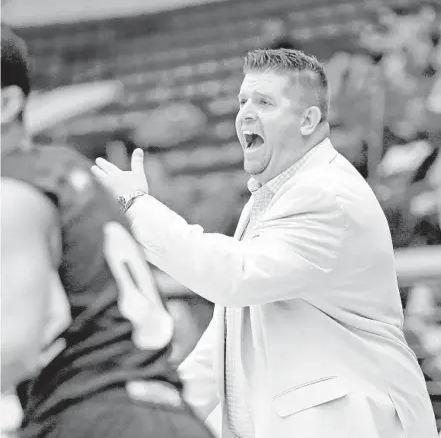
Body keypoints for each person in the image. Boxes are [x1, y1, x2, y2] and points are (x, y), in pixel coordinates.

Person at [92, 48, 438, 438]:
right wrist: (152, 411)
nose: (245, 113)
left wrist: (135, 206)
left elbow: (233, 278)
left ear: (308, 119)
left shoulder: (325, 194)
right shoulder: (278, 194)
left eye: (265, 102)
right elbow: (226, 338)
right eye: (243, 101)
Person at [0, 26, 214, 438]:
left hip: (93, 415)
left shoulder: (17, 184)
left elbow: (12, 347)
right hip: (172, 417)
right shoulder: (70, 172)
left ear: (7, 102)